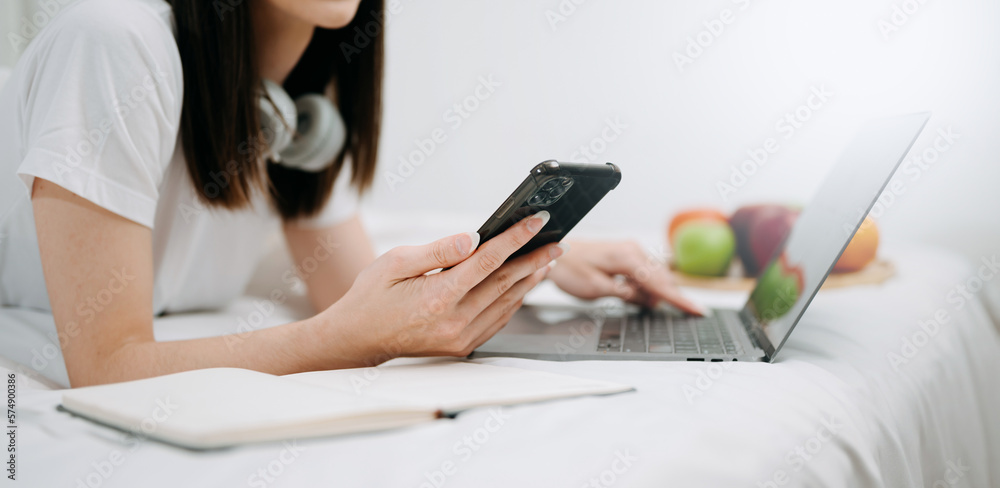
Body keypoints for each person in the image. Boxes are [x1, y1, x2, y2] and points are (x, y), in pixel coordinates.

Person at [0, 0, 702, 387]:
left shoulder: (302, 106)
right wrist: (339, 342)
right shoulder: (109, 41)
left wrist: (537, 262)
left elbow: (349, 287)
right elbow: (107, 365)